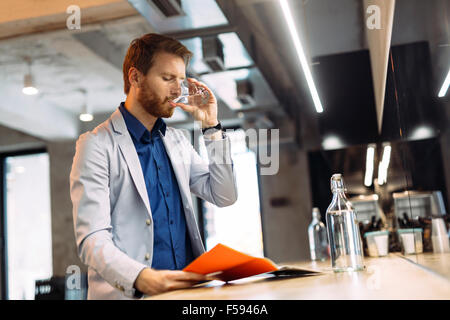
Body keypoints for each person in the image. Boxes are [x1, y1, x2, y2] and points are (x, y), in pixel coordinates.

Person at [69, 33, 237, 300]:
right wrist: (140, 278)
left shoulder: (177, 140)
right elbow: (92, 238)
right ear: (135, 77)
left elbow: (224, 195)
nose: (177, 90)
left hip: (189, 295)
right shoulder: (96, 145)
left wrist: (211, 127)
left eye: (181, 80)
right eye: (167, 78)